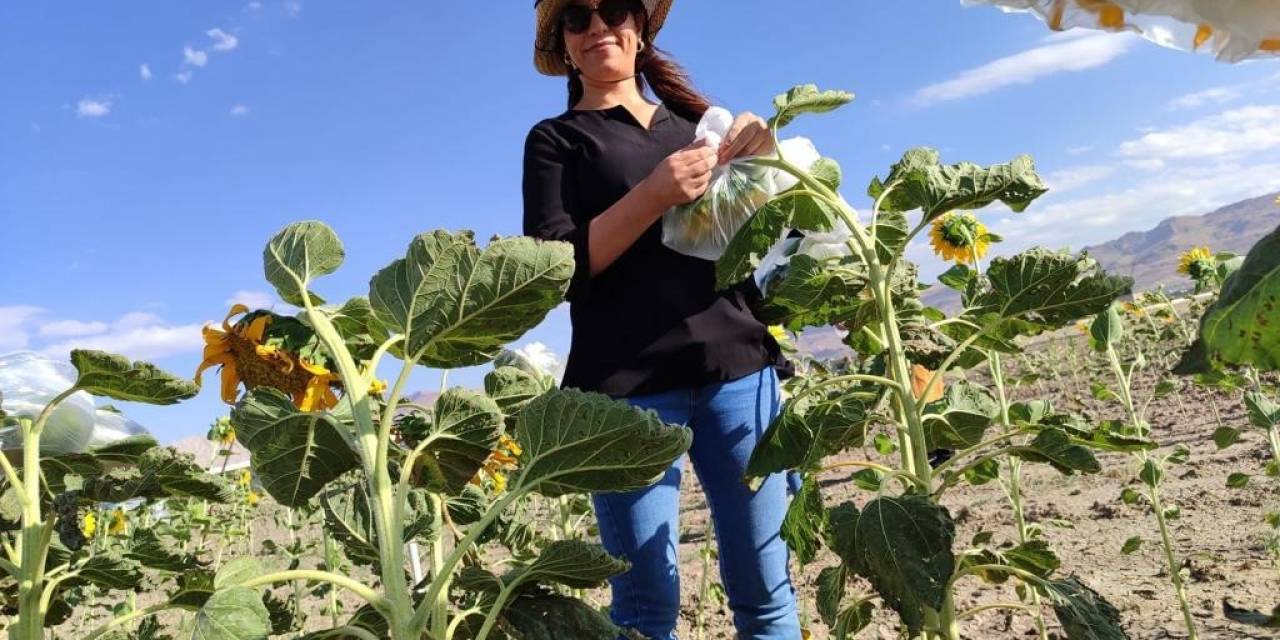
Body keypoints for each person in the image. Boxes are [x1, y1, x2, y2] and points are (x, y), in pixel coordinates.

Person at [521, 1, 802, 639]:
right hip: (629, 391)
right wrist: (652, 194)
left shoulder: (695, 127)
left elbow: (754, 236)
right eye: (576, 18)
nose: (597, 27)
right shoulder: (557, 140)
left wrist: (763, 157)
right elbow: (556, 266)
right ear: (563, 44)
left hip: (738, 369)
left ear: (640, 27)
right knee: (647, 609)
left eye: (613, 9)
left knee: (768, 592)